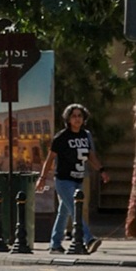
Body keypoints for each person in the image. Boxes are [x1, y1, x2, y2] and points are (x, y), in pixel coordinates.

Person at [35, 102, 98, 256]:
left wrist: (101, 170)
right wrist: (42, 178)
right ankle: (88, 239)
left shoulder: (85, 135)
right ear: (68, 119)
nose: (77, 119)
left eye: (79, 116)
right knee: (75, 210)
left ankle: (55, 244)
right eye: (74, 116)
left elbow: (91, 156)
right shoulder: (61, 137)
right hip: (63, 180)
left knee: (64, 212)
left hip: (79, 178)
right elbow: (49, 159)